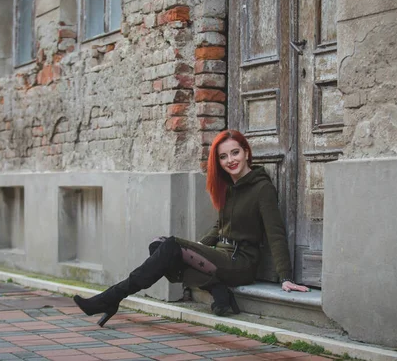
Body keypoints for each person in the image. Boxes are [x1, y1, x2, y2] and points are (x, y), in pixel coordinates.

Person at [74, 129, 309, 327]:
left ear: (247, 152)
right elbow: (220, 226)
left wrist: (285, 276)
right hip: (221, 254)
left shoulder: (262, 189)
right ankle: (218, 291)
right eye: (223, 156)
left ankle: (112, 297)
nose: (231, 160)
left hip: (241, 262)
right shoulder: (228, 188)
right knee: (158, 245)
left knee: (170, 247)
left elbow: (275, 232)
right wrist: (199, 246)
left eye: (235, 153)